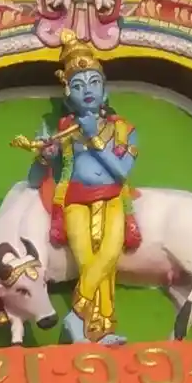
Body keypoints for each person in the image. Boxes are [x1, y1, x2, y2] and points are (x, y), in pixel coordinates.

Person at [21, 40, 138, 343]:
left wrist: (93, 137)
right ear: (68, 95)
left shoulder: (123, 129)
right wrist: (43, 155)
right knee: (88, 261)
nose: (87, 89)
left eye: (94, 82)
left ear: (105, 91)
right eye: (78, 85)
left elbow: (122, 171)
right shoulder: (64, 131)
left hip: (112, 197)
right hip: (75, 200)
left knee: (109, 256)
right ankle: (95, 331)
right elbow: (35, 177)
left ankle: (78, 315)